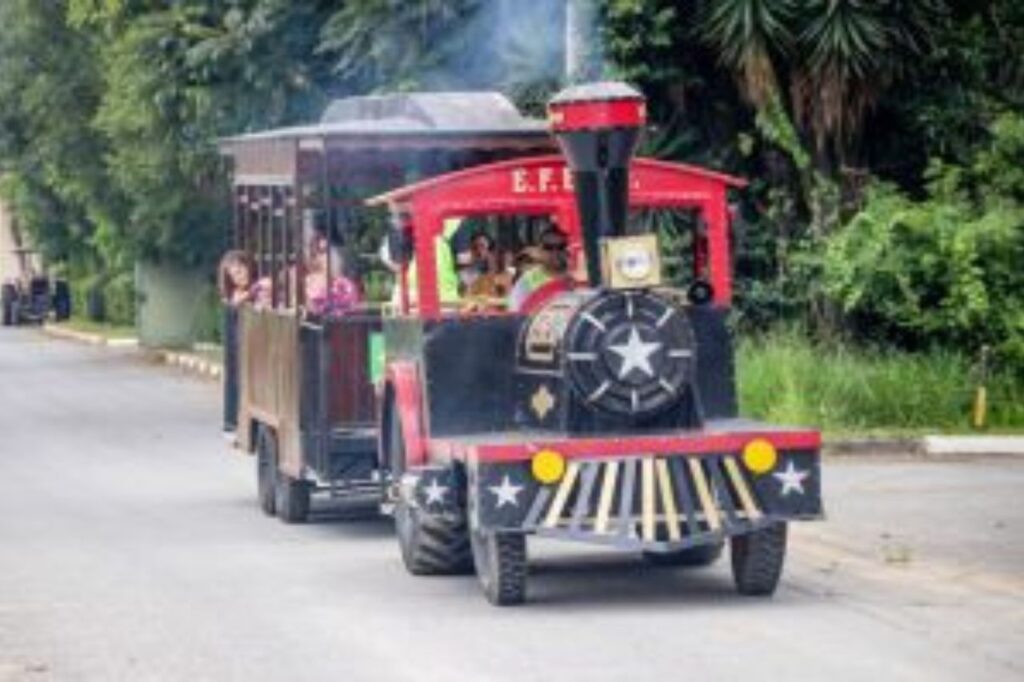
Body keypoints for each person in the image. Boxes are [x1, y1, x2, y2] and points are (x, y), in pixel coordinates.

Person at [216, 250, 253, 437]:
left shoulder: (257, 287)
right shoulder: (233, 297)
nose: (240, 275)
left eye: (241, 269)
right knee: (235, 377)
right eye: (234, 274)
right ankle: (231, 422)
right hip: (239, 345)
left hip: (253, 345)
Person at [508, 227, 571, 312]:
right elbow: (516, 314)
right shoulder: (526, 282)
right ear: (539, 250)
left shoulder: (577, 277)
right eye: (548, 247)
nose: (555, 252)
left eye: (561, 247)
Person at [305, 234, 362, 317]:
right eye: (320, 252)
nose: (327, 255)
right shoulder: (305, 283)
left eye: (327, 250)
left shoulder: (345, 285)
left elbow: (353, 310)